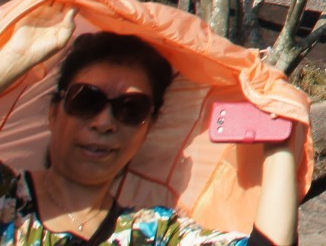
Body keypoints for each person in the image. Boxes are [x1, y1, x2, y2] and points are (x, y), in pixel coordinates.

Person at [0, 23, 302, 245]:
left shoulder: (153, 232)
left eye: (131, 109)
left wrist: (281, 144)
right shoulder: (7, 200)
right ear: (54, 111)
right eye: (86, 100)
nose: (104, 122)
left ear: (148, 129)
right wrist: (12, 59)